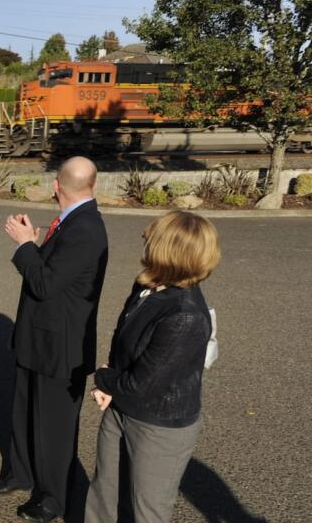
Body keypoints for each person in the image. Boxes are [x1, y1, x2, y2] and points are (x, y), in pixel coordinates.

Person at [0, 156, 109, 523]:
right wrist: (36, 247)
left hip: (61, 349)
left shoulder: (85, 228)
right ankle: (20, 473)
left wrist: (25, 246)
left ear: (57, 186)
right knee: (23, 412)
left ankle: (53, 498)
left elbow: (44, 284)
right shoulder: (74, 221)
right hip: (38, 339)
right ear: (94, 185)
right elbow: (57, 276)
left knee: (54, 428)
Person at [85, 211, 220, 523]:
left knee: (147, 511)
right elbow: (124, 335)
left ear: (169, 250)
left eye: (151, 238)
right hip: (122, 408)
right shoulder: (148, 283)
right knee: (104, 494)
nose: (144, 240)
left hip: (159, 425)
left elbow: (141, 385)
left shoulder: (185, 315)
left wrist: (104, 378)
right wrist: (112, 380)